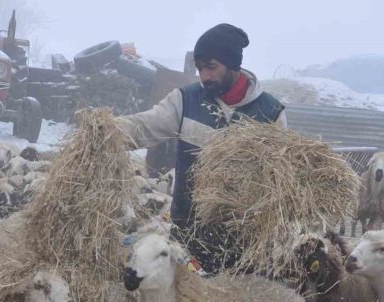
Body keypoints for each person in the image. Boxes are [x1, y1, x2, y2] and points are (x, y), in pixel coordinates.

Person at [120, 23, 287, 275]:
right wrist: (107, 130)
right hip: (187, 237)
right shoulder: (186, 100)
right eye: (200, 69)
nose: (205, 76)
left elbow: (278, 179)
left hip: (243, 246)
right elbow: (145, 126)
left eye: (211, 67)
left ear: (232, 65)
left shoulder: (271, 114)